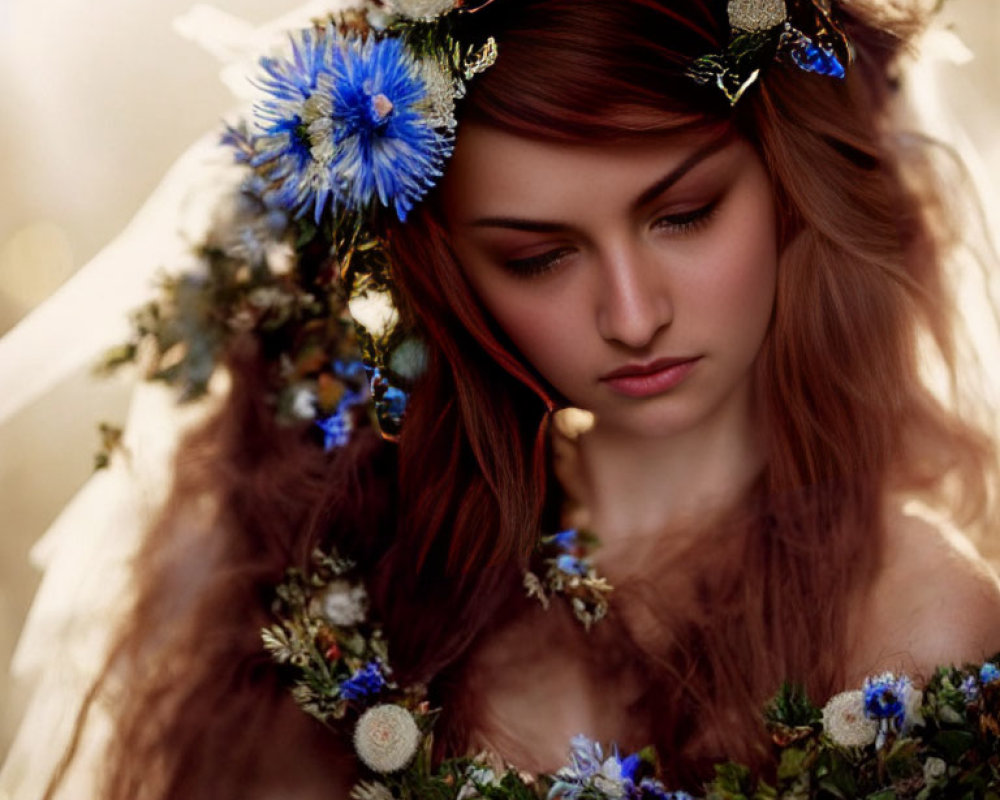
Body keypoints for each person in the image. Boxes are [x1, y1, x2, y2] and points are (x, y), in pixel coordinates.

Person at [30, 0, 1000, 798]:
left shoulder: (919, 618)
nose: (631, 315)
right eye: (537, 256)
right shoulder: (367, 599)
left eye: (683, 214)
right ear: (449, 276)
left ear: (788, 186)